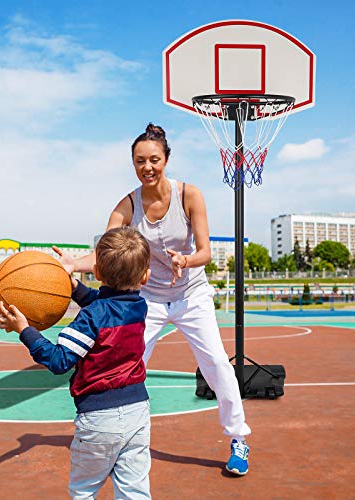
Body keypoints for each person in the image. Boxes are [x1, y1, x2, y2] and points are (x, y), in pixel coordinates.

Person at [56, 123, 251, 476]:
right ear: (133, 163)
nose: (147, 167)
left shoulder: (189, 194)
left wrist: (186, 259)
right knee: (126, 365)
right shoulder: (126, 206)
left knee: (218, 365)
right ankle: (113, 434)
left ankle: (238, 438)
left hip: (191, 293)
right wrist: (74, 264)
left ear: (166, 159)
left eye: (154, 160)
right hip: (147, 299)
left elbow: (205, 251)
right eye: (140, 161)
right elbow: (106, 255)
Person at [0, 227, 152, 499]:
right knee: (134, 490)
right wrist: (74, 288)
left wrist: (25, 329)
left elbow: (59, 360)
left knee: (84, 490)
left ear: (97, 273)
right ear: (146, 276)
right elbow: (108, 302)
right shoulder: (139, 306)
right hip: (138, 412)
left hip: (99, 418)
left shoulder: (91, 318)